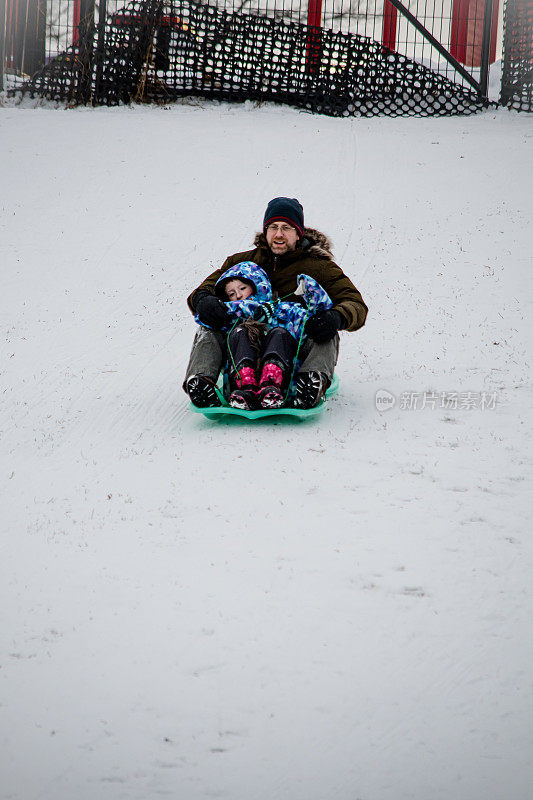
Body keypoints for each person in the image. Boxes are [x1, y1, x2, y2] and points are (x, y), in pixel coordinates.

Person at [184, 197, 368, 409]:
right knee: (207, 327)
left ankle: (309, 383)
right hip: (242, 344)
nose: (279, 234)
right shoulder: (242, 263)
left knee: (324, 330)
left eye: (286, 228)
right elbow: (203, 289)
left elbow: (355, 303)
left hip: (291, 347)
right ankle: (201, 383)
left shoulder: (319, 267)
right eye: (273, 227)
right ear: (265, 231)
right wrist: (203, 300)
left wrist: (337, 316)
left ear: (298, 233)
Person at [195, 261, 334, 410]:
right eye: (231, 294)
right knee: (240, 332)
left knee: (279, 333)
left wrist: (309, 288)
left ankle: (278, 385)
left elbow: (313, 316)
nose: (239, 295)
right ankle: (241, 388)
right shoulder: (231, 318)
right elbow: (207, 325)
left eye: (242, 288)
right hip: (239, 386)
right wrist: (207, 305)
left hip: (284, 384)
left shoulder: (282, 310)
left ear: (257, 287)